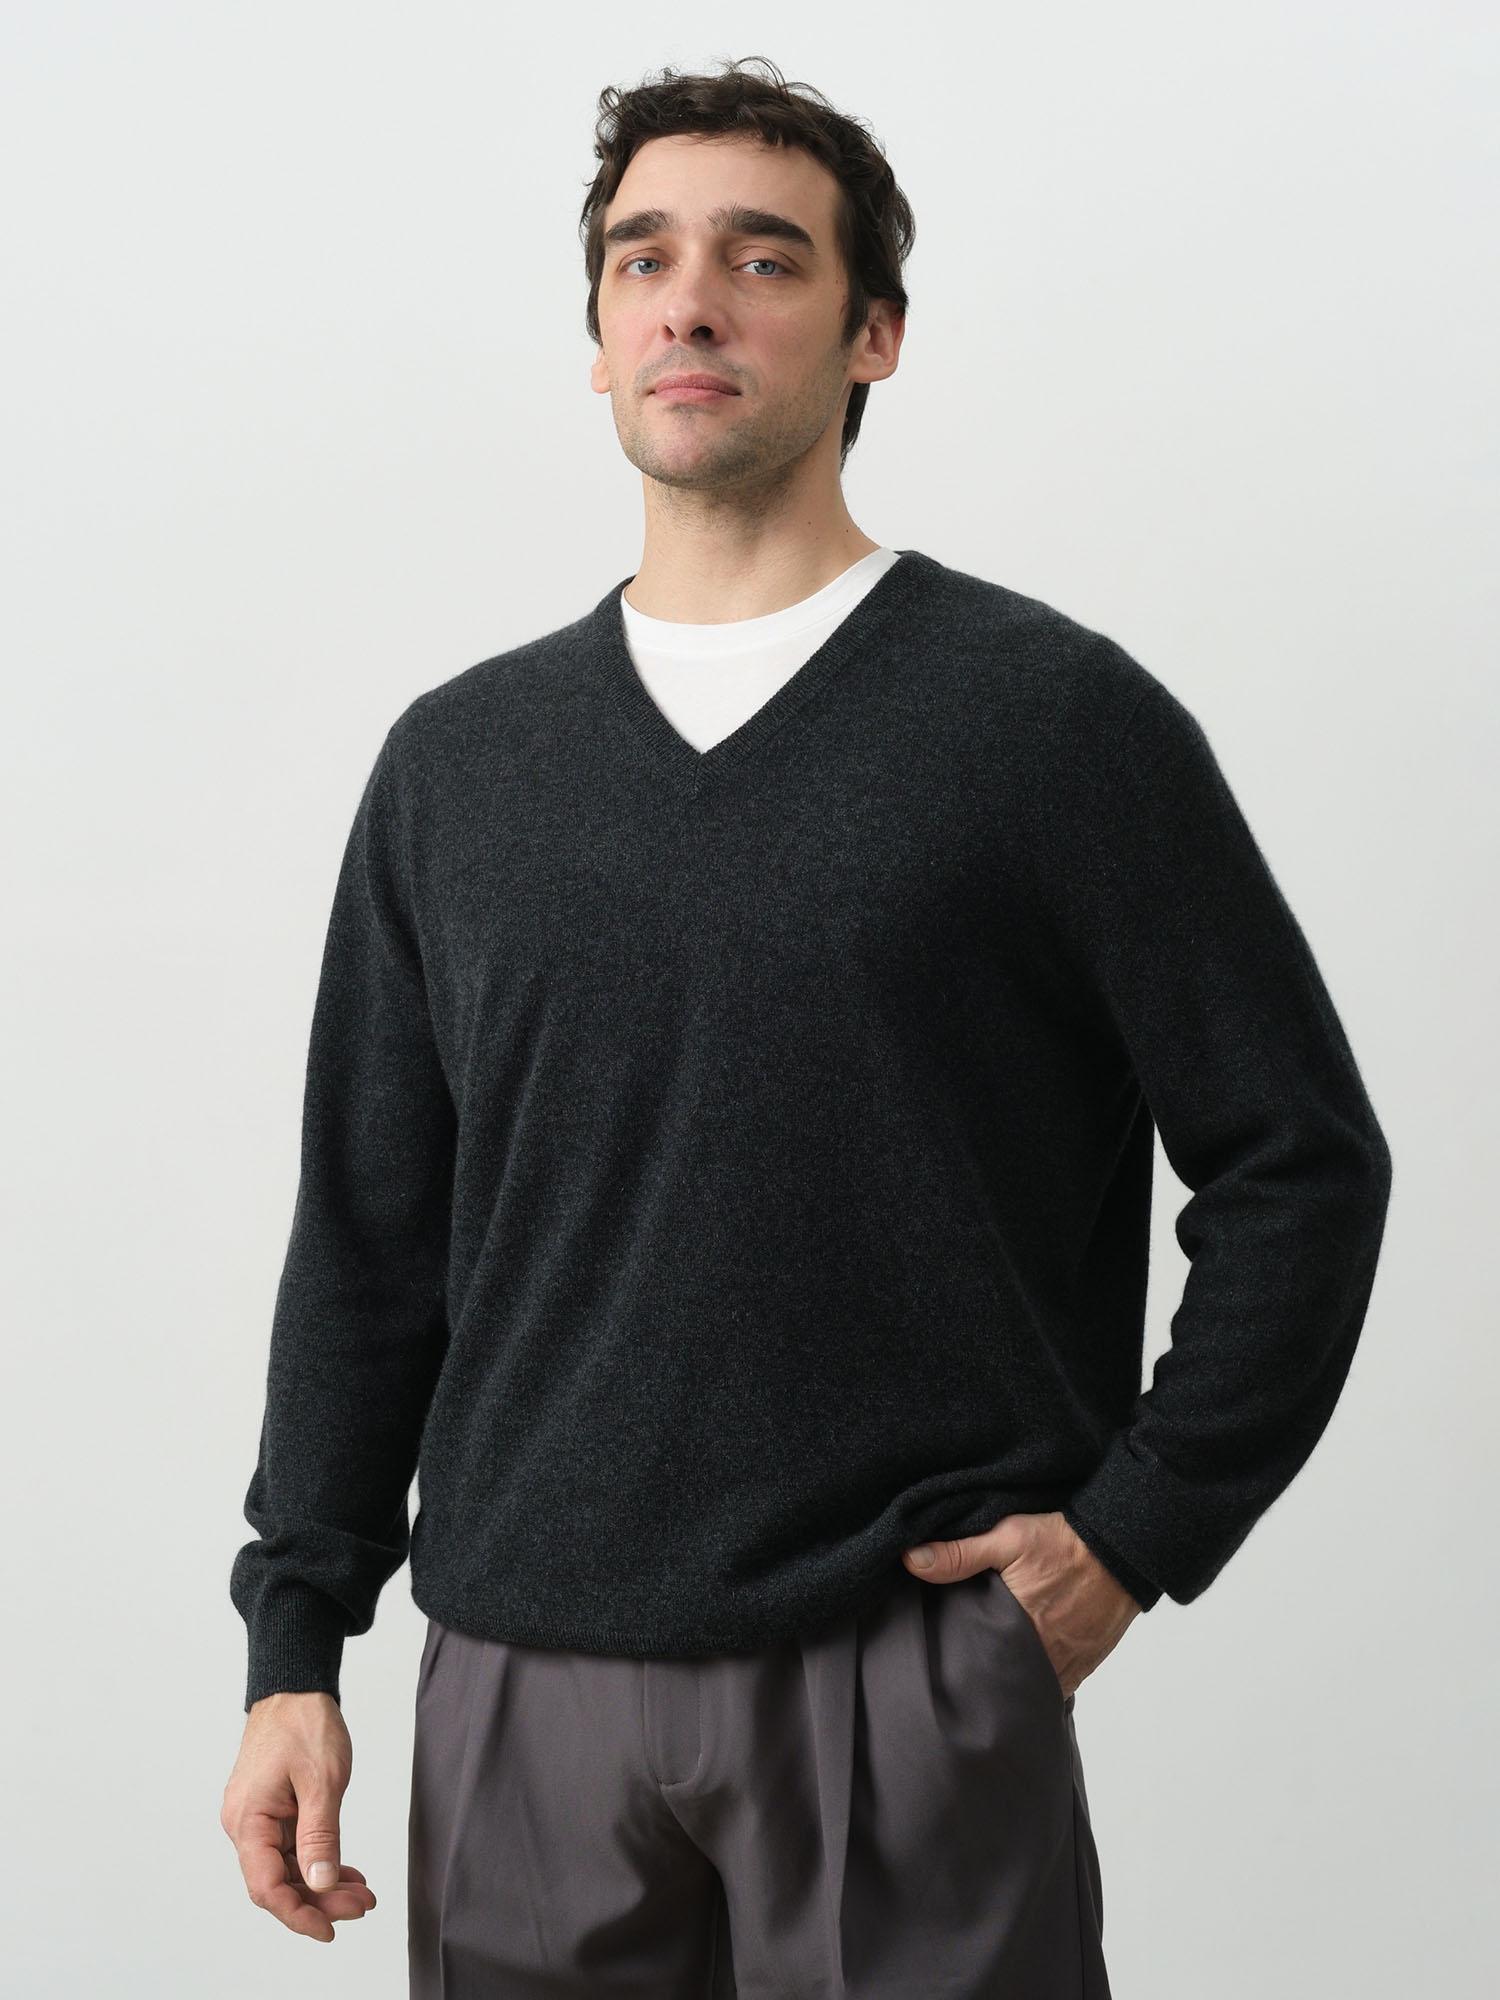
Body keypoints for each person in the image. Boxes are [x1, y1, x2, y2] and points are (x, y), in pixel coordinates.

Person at [220, 55, 1393, 1999]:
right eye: (644, 260)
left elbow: (1301, 1164)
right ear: (599, 338)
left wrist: (1134, 1534)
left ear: (875, 334)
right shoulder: (459, 765)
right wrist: (295, 1644)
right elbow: (367, 1240)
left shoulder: (1052, 724)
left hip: (905, 1676)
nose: (691, 301)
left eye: (762, 259)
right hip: (519, 1696)